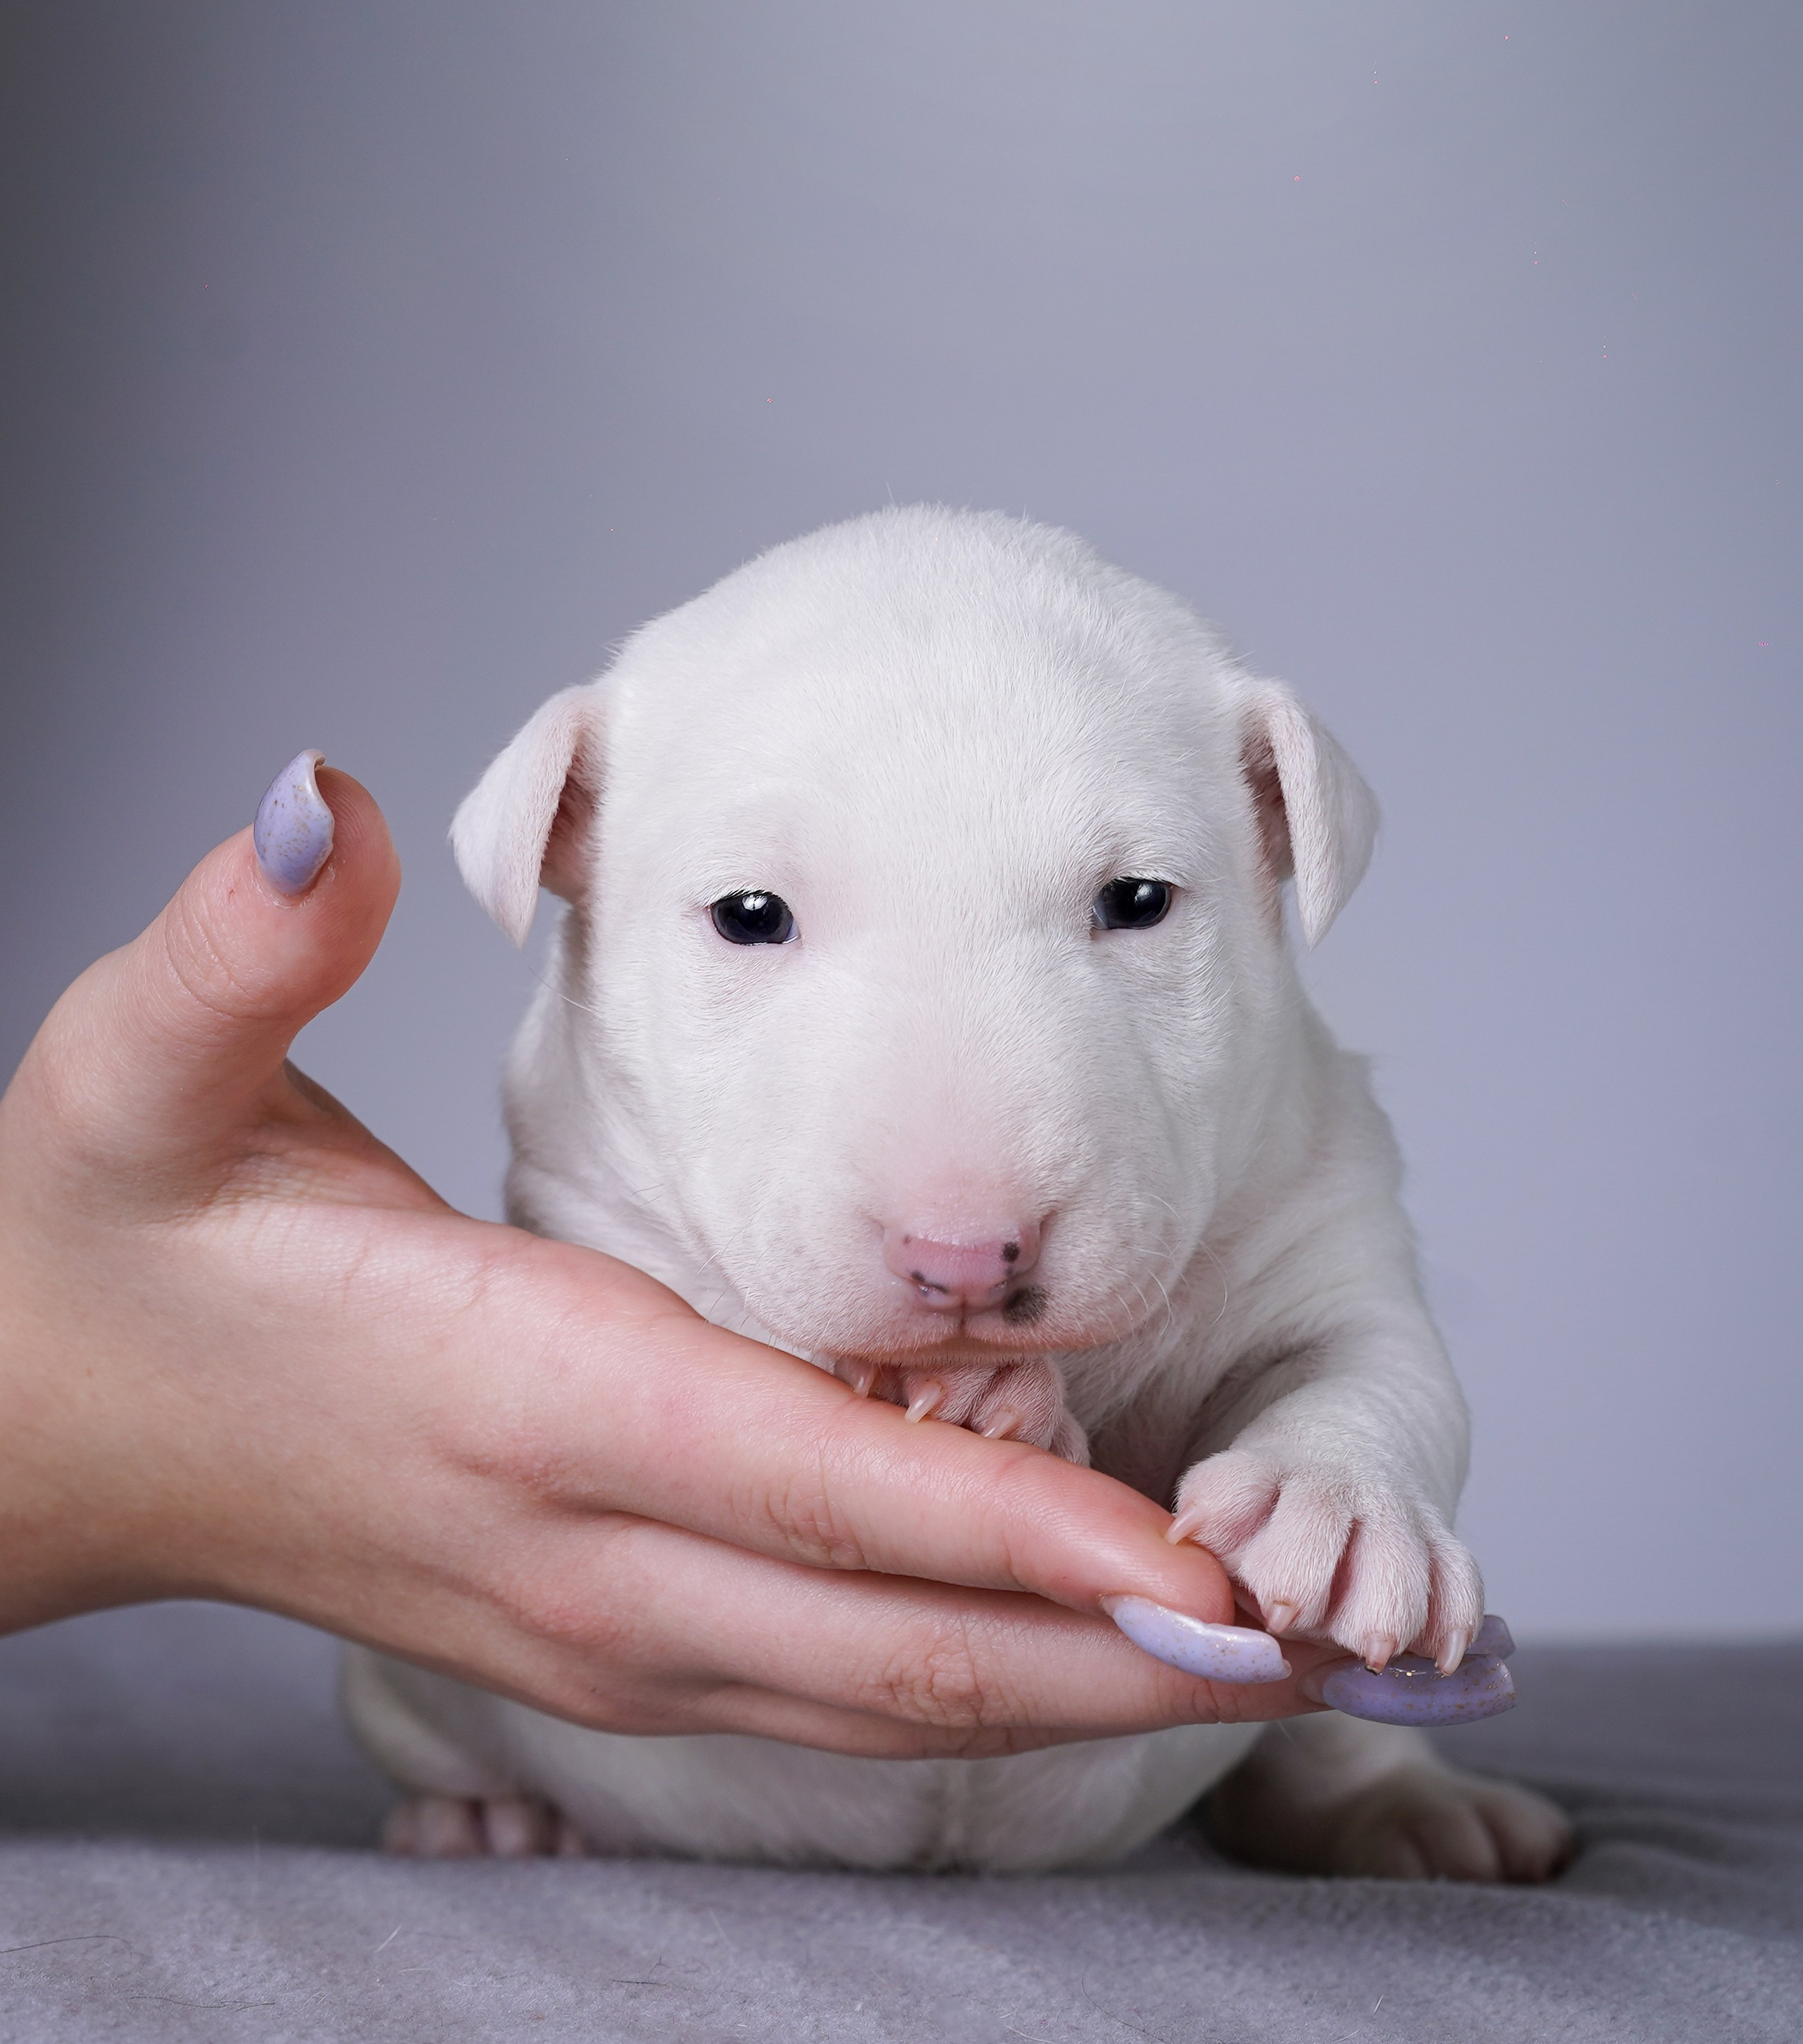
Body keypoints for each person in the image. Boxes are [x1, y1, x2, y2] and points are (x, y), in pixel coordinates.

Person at [0, 759, 1338, 1774]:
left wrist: (1346, 1473)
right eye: (753, 915)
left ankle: (1328, 1761)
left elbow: (1355, 1352)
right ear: (565, 820)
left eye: (1137, 903)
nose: (961, 1237)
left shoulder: (1299, 1162)